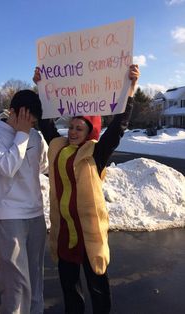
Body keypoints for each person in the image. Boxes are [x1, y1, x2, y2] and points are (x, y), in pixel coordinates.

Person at [33, 64, 140, 314]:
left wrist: (131, 89)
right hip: (65, 233)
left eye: (78, 128)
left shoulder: (96, 153)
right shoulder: (58, 146)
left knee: (97, 289)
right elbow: (46, 123)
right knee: (70, 290)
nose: (71, 132)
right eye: (71, 127)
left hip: (88, 233)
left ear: (89, 131)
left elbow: (117, 128)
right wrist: (41, 87)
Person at [0, 90, 48, 314]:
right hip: (9, 215)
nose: (29, 124)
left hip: (36, 214)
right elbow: (8, 167)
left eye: (33, 121)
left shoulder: (36, 137)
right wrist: (21, 134)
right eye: (25, 118)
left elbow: (46, 166)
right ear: (12, 112)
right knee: (16, 285)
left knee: (36, 278)